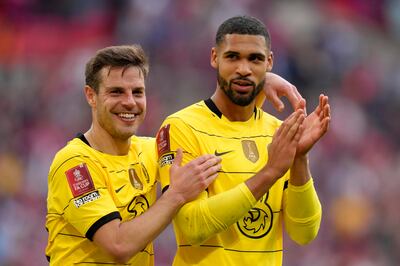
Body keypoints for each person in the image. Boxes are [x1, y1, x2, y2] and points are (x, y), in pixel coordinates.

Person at [45, 44, 305, 265]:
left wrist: (253, 83)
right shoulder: (75, 164)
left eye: (137, 92)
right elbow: (118, 245)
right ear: (91, 96)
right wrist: (176, 195)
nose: (129, 102)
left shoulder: (148, 150)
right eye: (116, 92)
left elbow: (201, 121)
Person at [156, 15, 331, 266]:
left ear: (269, 62)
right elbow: (191, 226)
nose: (243, 69)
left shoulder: (278, 133)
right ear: (215, 57)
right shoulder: (182, 127)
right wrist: (270, 172)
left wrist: (299, 159)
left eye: (255, 59)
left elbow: (304, 233)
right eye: (233, 57)